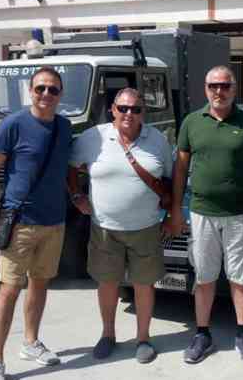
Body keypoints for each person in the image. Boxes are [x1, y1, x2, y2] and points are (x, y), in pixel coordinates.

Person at [0, 66, 73, 380]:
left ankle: (31, 342)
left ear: (61, 94)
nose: (46, 95)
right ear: (30, 92)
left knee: (40, 283)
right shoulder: (14, 125)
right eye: (40, 89)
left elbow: (69, 169)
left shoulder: (65, 127)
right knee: (9, 289)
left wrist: (77, 197)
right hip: (19, 222)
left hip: (54, 222)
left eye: (53, 89)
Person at [68, 88, 173, 363]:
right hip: (104, 227)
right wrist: (77, 194)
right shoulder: (95, 137)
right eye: (123, 108)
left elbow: (171, 179)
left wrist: (172, 214)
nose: (129, 114)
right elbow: (71, 167)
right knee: (107, 283)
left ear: (143, 113)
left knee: (144, 284)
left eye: (136, 109)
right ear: (113, 109)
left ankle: (143, 338)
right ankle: (108, 335)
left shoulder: (158, 140)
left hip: (146, 226)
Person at [170, 66, 243, 365]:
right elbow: (181, 170)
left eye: (225, 85)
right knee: (204, 277)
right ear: (205, 88)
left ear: (234, 88)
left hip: (240, 215)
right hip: (202, 214)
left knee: (240, 278)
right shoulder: (191, 122)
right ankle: (202, 334)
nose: (219, 91)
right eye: (214, 85)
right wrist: (175, 208)